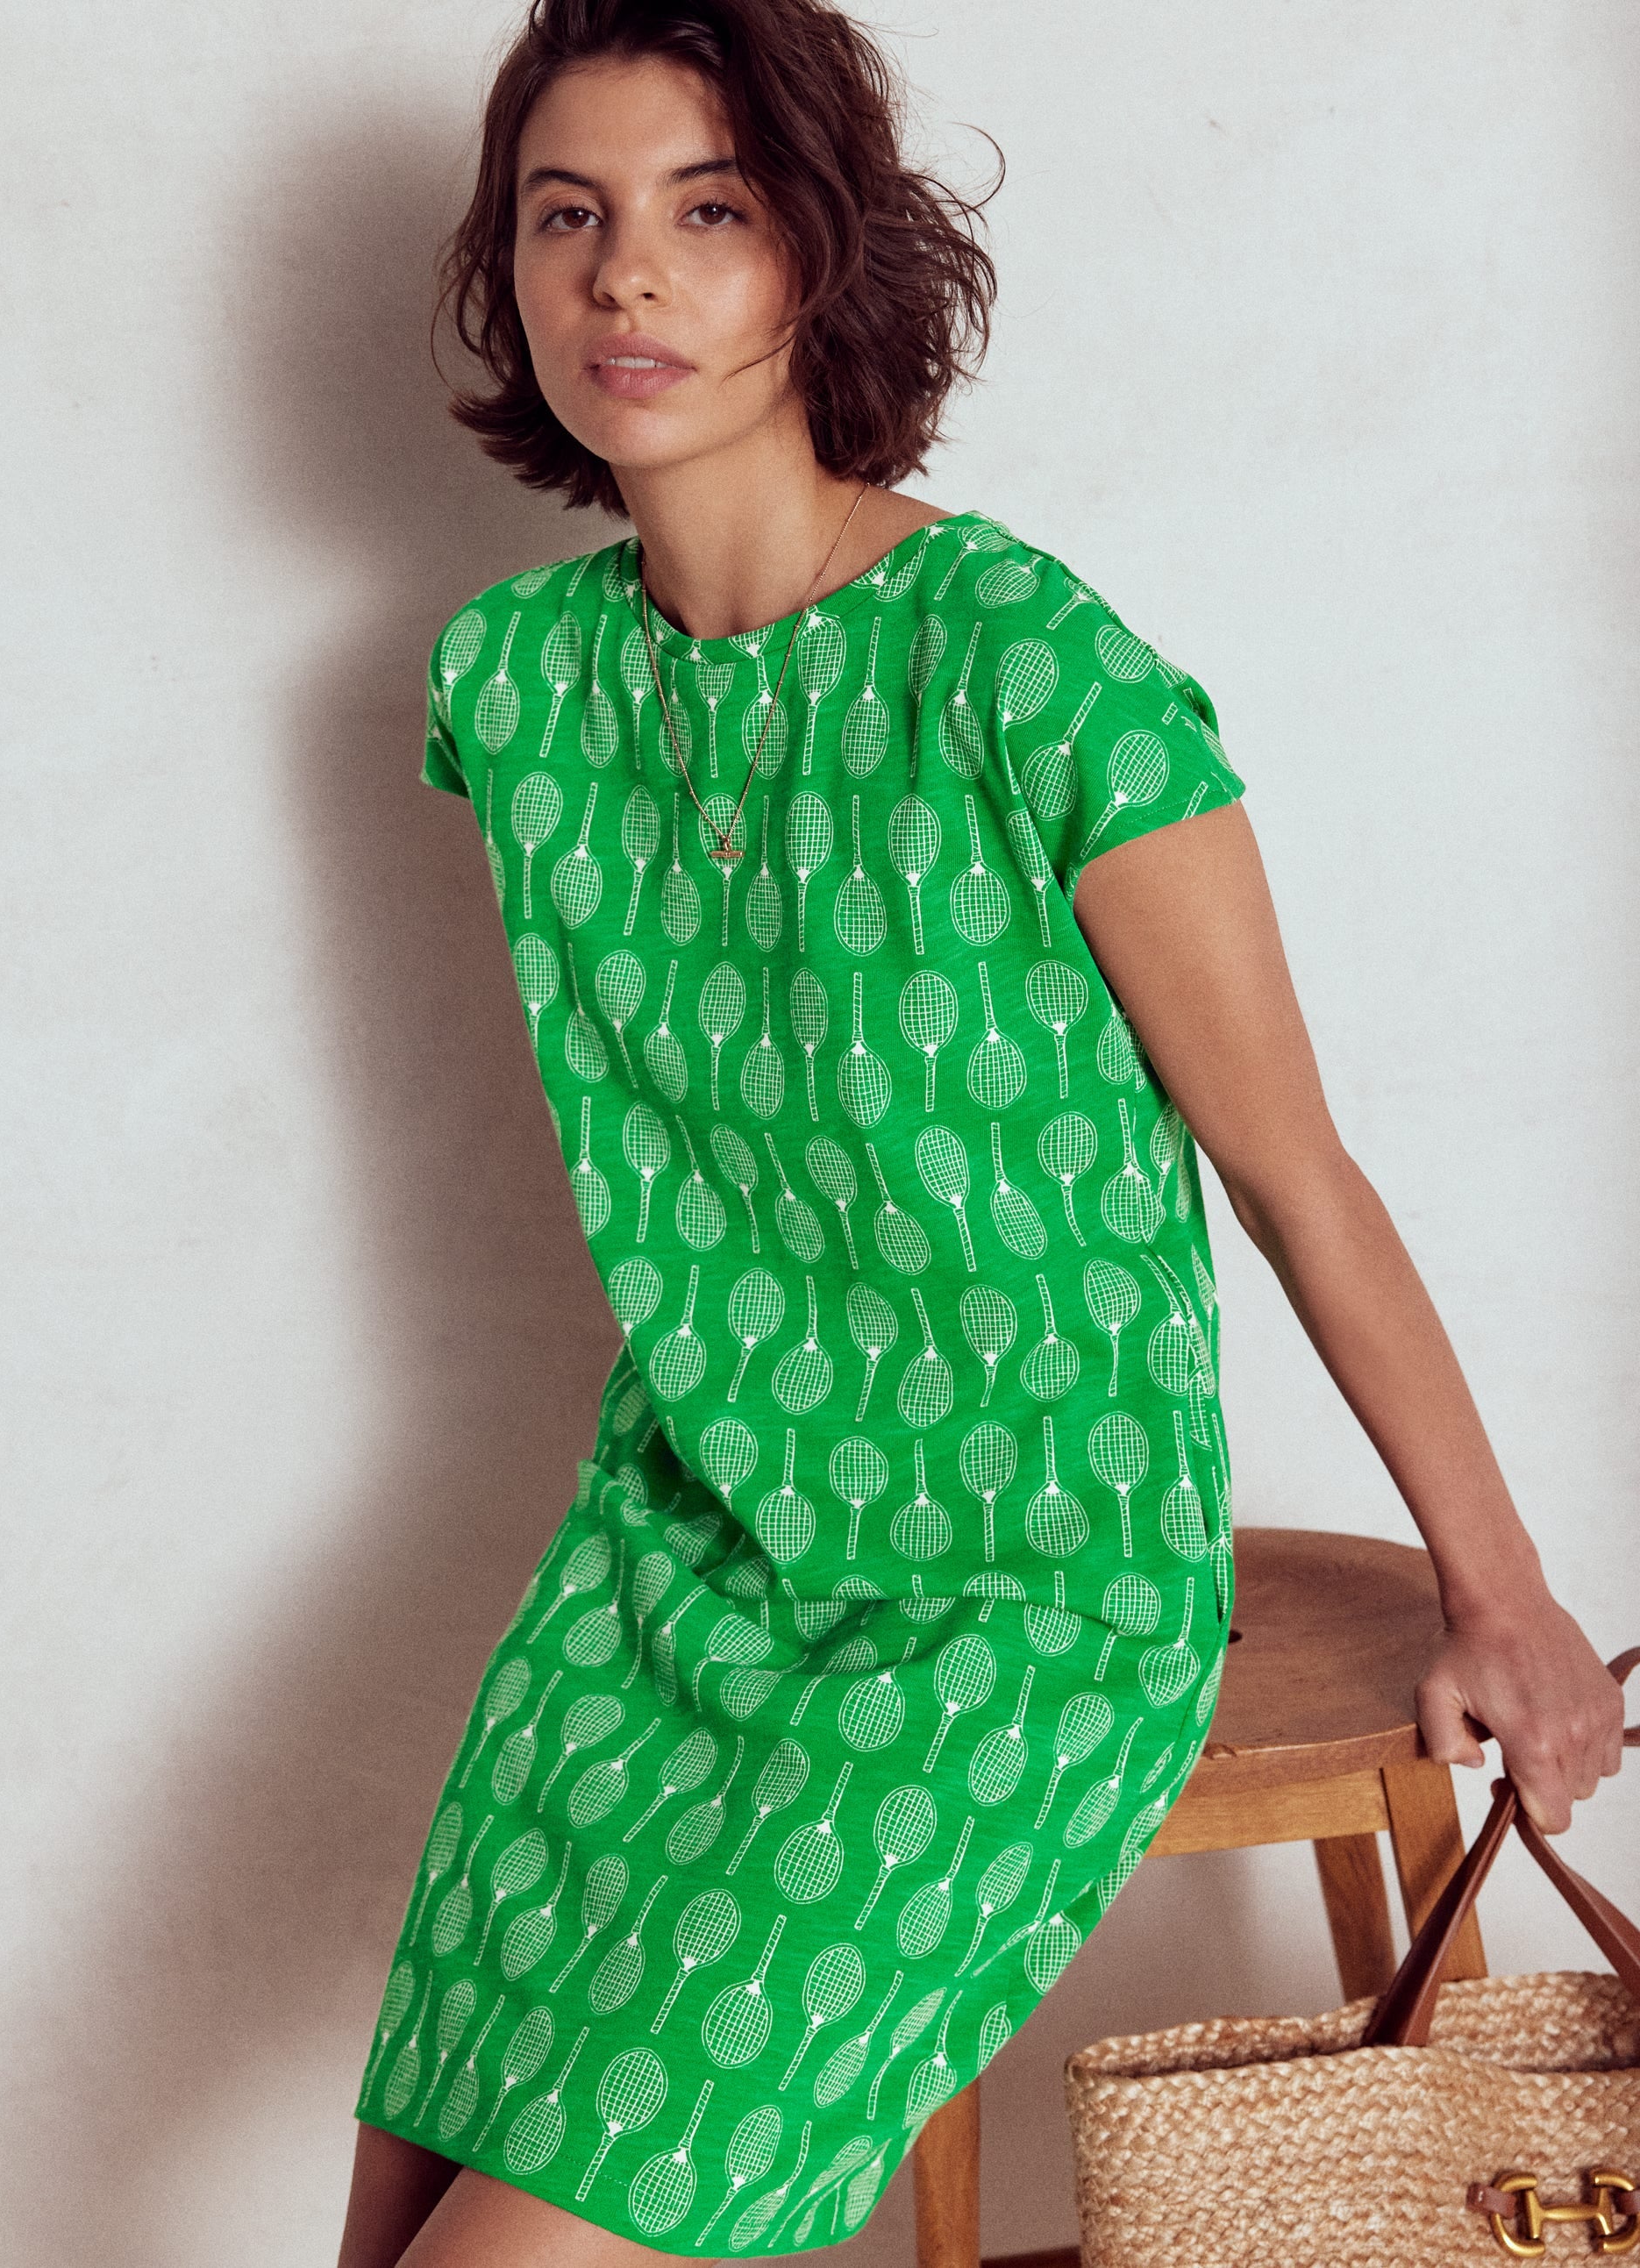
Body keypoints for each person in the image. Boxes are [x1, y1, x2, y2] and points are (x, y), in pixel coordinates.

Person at [335, 3, 1626, 2262]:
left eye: (706, 213)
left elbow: (1293, 1170)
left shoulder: (1025, 667)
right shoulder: (511, 692)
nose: (625, 276)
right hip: (679, 1545)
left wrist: (1498, 1592)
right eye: (570, 217)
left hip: (1020, 1584)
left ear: (818, 263)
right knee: (396, 2220)